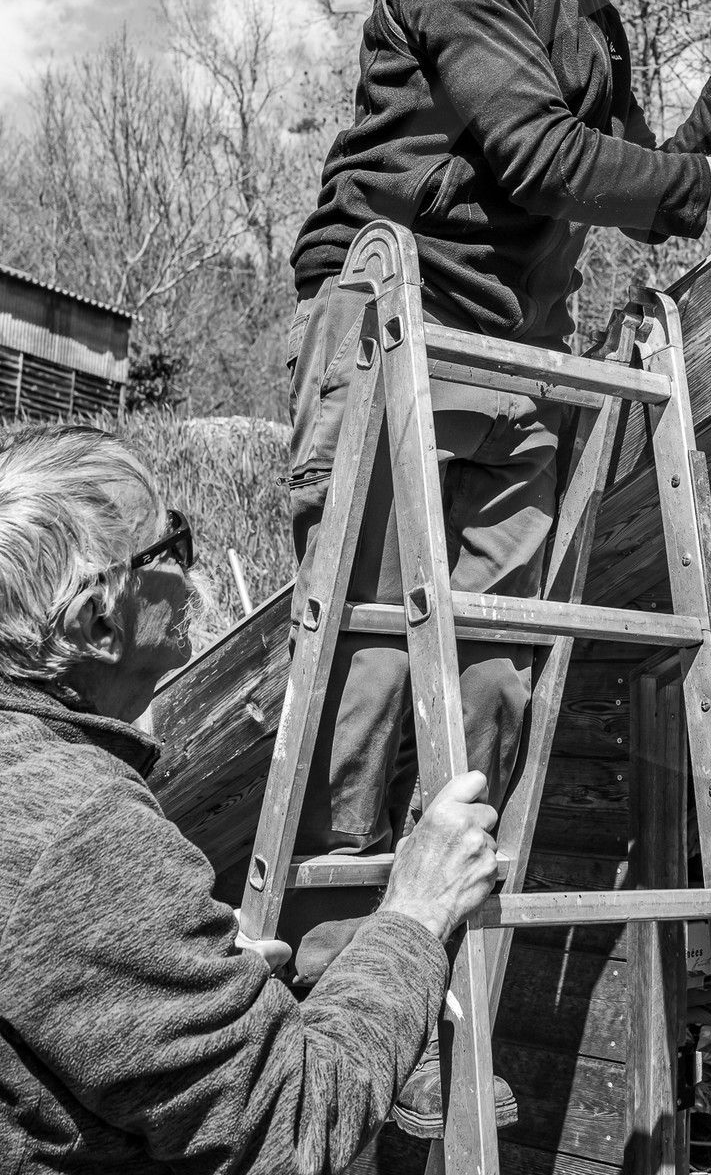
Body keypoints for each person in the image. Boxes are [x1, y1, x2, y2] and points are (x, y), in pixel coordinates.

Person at [280, 0, 711, 1127]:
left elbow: (620, 169)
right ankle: (346, 1004)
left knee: (499, 684)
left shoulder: (588, 8)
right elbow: (526, 148)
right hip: (395, 329)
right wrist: (707, 194)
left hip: (512, 361)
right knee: (375, 676)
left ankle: (432, 995)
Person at [0, 425, 504, 1175]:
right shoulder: (82, 830)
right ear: (97, 623)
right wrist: (417, 915)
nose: (189, 566)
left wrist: (175, 954)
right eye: (166, 549)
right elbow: (289, 1128)